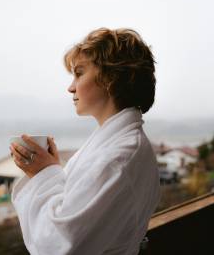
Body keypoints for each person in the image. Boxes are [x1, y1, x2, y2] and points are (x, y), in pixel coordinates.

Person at [10, 27, 161, 255]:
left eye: (79, 73)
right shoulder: (121, 145)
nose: (70, 87)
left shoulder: (118, 158)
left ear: (111, 79)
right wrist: (51, 168)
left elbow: (59, 245)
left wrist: (44, 173)